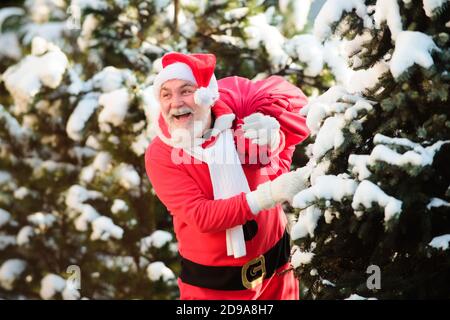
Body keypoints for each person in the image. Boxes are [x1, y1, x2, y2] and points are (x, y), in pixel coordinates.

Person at [144, 52, 309, 300]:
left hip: (279, 272)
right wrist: (269, 195)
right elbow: (202, 216)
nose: (175, 102)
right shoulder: (161, 154)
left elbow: (293, 109)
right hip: (215, 289)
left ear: (207, 94)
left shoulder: (235, 110)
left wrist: (276, 137)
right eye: (166, 94)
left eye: (186, 90)